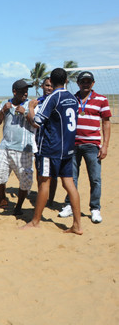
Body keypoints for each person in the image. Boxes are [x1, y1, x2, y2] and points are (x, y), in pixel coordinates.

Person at [24, 68, 82, 234]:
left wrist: (30, 107)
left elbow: (37, 121)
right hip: (69, 148)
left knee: (44, 183)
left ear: (52, 80)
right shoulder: (72, 97)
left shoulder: (52, 98)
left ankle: (35, 221)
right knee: (69, 184)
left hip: (51, 148)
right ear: (66, 80)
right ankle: (77, 224)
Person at [58, 71, 111, 223]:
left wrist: (105, 145)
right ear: (78, 83)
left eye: (88, 81)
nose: (85, 84)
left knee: (95, 179)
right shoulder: (71, 99)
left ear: (93, 83)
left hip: (92, 145)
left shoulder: (101, 99)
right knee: (71, 178)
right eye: (83, 81)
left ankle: (95, 208)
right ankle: (69, 205)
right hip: (72, 145)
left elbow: (106, 123)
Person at [0, 80, 35, 215]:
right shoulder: (5, 103)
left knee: (25, 180)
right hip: (5, 146)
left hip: (24, 148)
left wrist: (26, 113)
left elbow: (36, 123)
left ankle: (18, 207)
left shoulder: (31, 104)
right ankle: (2, 199)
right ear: (14, 91)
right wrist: (3, 111)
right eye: (22, 91)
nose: (25, 94)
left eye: (27, 91)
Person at [38, 77, 58, 205]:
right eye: (47, 85)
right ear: (42, 86)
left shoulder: (57, 100)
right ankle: (42, 197)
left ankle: (50, 199)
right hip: (39, 142)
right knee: (41, 172)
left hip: (55, 142)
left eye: (51, 86)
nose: (49, 88)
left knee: (54, 174)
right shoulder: (37, 102)